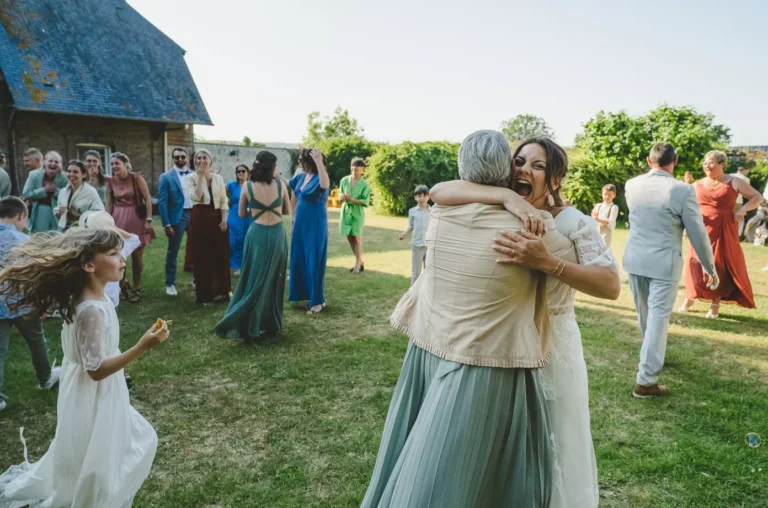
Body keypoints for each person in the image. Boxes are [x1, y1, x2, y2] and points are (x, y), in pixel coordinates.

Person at [362, 131, 565, 508]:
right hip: (485, 362)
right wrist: (510, 199)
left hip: (430, 348)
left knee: (425, 459)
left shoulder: (439, 213)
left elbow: (439, 190)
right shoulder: (534, 229)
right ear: (506, 169)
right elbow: (595, 284)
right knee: (460, 476)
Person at [429, 136, 621, 508]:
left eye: (537, 166)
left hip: (553, 350)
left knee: (551, 446)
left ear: (555, 180)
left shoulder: (571, 222)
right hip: (502, 347)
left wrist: (548, 262)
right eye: (519, 161)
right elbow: (439, 191)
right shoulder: (500, 202)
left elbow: (611, 285)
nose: (524, 170)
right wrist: (507, 198)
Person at [0, 227, 168, 507]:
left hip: (99, 390)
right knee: (97, 453)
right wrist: (143, 346)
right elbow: (96, 369)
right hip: (92, 394)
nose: (122, 257)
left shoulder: (97, 299)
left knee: (102, 446)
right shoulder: (91, 310)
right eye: (113, 253)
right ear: (89, 265)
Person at [624, 143, 717, 398]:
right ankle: (646, 380)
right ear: (674, 161)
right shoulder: (682, 189)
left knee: (646, 315)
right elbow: (697, 231)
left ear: (648, 160)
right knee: (657, 318)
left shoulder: (631, 185)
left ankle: (651, 356)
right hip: (664, 262)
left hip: (635, 259)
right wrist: (710, 266)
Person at [215, 151, 291, 342]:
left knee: (252, 277)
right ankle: (270, 322)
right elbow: (288, 210)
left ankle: (249, 322)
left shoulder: (247, 187)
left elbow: (241, 214)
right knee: (273, 278)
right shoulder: (281, 185)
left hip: (256, 233)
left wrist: (255, 208)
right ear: (271, 166)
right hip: (276, 234)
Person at [678, 151, 763, 318]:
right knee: (694, 262)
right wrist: (687, 226)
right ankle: (690, 296)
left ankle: (715, 303)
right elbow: (689, 208)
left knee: (719, 264)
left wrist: (744, 209)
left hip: (724, 228)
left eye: (711, 163)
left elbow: (757, 197)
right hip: (701, 227)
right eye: (705, 163)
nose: (706, 166)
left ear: (722, 164)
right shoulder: (697, 184)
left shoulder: (734, 181)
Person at [0, 197, 61, 413]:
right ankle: (45, 378)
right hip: (22, 303)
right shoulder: (25, 241)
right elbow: (38, 275)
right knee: (36, 341)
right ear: (21, 216)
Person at [106, 152, 154, 303]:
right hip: (118, 218)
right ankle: (121, 285)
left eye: (117, 163)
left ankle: (136, 288)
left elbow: (147, 199)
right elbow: (109, 203)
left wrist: (149, 220)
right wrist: (106, 221)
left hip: (136, 218)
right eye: (112, 163)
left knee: (136, 255)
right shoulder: (111, 181)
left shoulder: (136, 178)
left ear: (126, 164)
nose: (114, 166)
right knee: (119, 254)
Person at [186, 149, 230, 304]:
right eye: (198, 158)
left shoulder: (218, 178)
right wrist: (200, 176)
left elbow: (224, 200)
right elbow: (196, 196)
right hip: (200, 218)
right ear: (194, 161)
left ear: (210, 160)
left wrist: (224, 219)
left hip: (218, 216)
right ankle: (204, 294)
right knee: (202, 256)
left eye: (205, 157)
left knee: (220, 254)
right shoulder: (190, 178)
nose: (201, 160)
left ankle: (222, 290)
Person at [289, 149, 330, 314]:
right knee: (300, 258)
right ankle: (305, 294)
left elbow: (325, 185)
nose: (299, 163)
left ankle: (318, 301)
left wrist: (319, 161)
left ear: (309, 162)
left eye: (301, 160)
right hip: (300, 224)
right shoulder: (300, 176)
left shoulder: (321, 177)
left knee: (314, 259)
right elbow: (290, 186)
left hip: (315, 224)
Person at [158, 147, 193, 296]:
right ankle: (170, 283)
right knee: (173, 251)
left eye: (183, 157)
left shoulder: (193, 174)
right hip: (177, 218)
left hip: (195, 215)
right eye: (177, 157)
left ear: (187, 158)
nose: (180, 160)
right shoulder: (166, 177)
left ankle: (198, 279)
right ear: (173, 159)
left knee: (197, 249)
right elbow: (162, 201)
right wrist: (166, 224)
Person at [22, 150, 68, 233]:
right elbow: (26, 193)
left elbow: (69, 195)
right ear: (44, 162)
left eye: (56, 162)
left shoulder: (65, 177)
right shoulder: (34, 175)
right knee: (38, 238)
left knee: (56, 238)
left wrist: (55, 191)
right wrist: (44, 190)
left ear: (60, 164)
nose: (53, 164)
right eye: (50, 161)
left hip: (58, 214)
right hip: (39, 211)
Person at [339, 157, 371, 273]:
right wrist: (343, 197)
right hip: (346, 212)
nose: (354, 168)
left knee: (356, 238)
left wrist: (351, 199)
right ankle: (360, 261)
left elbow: (365, 202)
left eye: (357, 166)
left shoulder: (364, 185)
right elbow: (340, 194)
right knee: (349, 237)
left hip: (357, 213)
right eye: (352, 166)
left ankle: (357, 263)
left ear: (362, 169)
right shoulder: (344, 180)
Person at [55, 160, 104, 231]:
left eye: (75, 172)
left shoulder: (90, 192)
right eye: (69, 171)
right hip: (64, 230)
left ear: (84, 174)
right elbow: (58, 211)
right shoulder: (63, 192)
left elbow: (100, 213)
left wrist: (78, 216)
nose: (71, 174)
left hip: (83, 231)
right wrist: (59, 212)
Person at [399, 185, 431, 285]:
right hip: (417, 244)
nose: (421, 197)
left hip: (430, 245)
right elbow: (411, 226)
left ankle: (426, 293)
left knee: (429, 271)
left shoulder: (433, 211)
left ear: (428, 197)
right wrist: (404, 234)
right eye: (418, 195)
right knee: (416, 272)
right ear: (415, 197)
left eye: (423, 195)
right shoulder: (412, 211)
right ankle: (412, 295)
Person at [226, 164, 253, 275]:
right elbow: (217, 189)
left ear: (248, 172)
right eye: (238, 171)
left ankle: (245, 265)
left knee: (246, 238)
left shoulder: (252, 185)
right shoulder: (232, 185)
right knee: (233, 240)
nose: (241, 173)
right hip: (234, 213)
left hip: (249, 214)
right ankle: (235, 265)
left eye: (243, 171)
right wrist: (226, 199)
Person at [731, 166, 751, 238]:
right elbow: (746, 192)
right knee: (740, 219)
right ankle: (737, 235)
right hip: (738, 201)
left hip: (727, 200)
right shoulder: (746, 179)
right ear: (745, 170)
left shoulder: (730, 176)